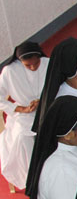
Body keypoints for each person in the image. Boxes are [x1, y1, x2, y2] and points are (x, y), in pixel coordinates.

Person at [0, 42, 48, 190]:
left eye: (36, 63)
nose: (33, 67)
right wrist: (20, 108)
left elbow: (60, 86)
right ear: (20, 62)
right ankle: (33, 180)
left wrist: (43, 100)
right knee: (23, 137)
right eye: (28, 65)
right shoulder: (10, 71)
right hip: (23, 115)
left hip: (48, 108)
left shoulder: (49, 63)